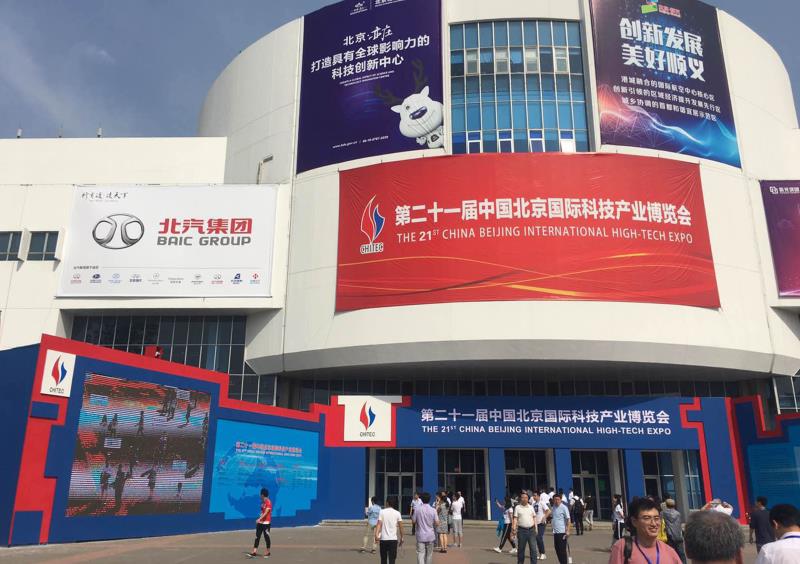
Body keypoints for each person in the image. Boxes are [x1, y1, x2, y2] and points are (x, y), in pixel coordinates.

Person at [609, 497, 682, 564]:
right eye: (647, 518)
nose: (653, 524)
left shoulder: (670, 552)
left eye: (656, 518)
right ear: (634, 521)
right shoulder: (622, 548)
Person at [375, 496, 403, 564]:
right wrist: (402, 537)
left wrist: (376, 535)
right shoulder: (397, 513)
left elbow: (379, 524)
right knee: (392, 560)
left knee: (383, 559)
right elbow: (401, 527)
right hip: (393, 540)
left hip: (383, 539)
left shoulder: (382, 512)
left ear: (387, 502)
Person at [412, 492, 439, 564]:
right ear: (429, 499)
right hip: (430, 535)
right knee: (429, 555)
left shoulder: (417, 509)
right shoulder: (433, 510)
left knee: (420, 554)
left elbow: (413, 521)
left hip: (420, 535)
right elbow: (437, 523)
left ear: (421, 499)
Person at [513, 490, 539, 563]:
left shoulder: (531, 507)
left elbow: (534, 517)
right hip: (521, 531)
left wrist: (536, 528)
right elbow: (515, 518)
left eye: (526, 498)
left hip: (531, 530)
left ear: (528, 499)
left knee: (533, 549)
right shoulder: (517, 507)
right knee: (521, 549)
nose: (524, 499)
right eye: (522, 497)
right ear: (520, 498)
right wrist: (514, 529)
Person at [248, 488, 272, 558]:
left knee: (266, 537)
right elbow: (262, 512)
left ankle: (268, 552)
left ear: (262, 495)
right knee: (257, 537)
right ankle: (254, 552)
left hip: (266, 523)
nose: (260, 496)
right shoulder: (262, 503)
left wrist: (259, 519)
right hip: (260, 523)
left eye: (260, 494)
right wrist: (260, 518)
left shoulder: (268, 502)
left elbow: (266, 512)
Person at [663, 498, 687, 564]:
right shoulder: (678, 513)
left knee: (670, 554)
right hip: (679, 536)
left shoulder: (663, 513)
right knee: (681, 554)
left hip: (669, 536)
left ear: (666, 505)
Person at [550, 494, 571, 564]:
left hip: (562, 532)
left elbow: (568, 519)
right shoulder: (553, 507)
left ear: (561, 500)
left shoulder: (564, 507)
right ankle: (561, 562)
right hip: (555, 532)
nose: (556, 501)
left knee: (562, 550)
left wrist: (568, 530)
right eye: (555, 500)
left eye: (558, 499)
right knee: (557, 549)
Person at [534, 490, 551, 560]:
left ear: (538, 496)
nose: (534, 497)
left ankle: (543, 553)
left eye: (535, 495)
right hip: (535, 523)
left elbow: (549, 511)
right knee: (536, 538)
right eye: (533, 495)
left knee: (539, 537)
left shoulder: (542, 503)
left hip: (541, 523)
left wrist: (544, 517)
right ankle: (541, 553)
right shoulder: (533, 504)